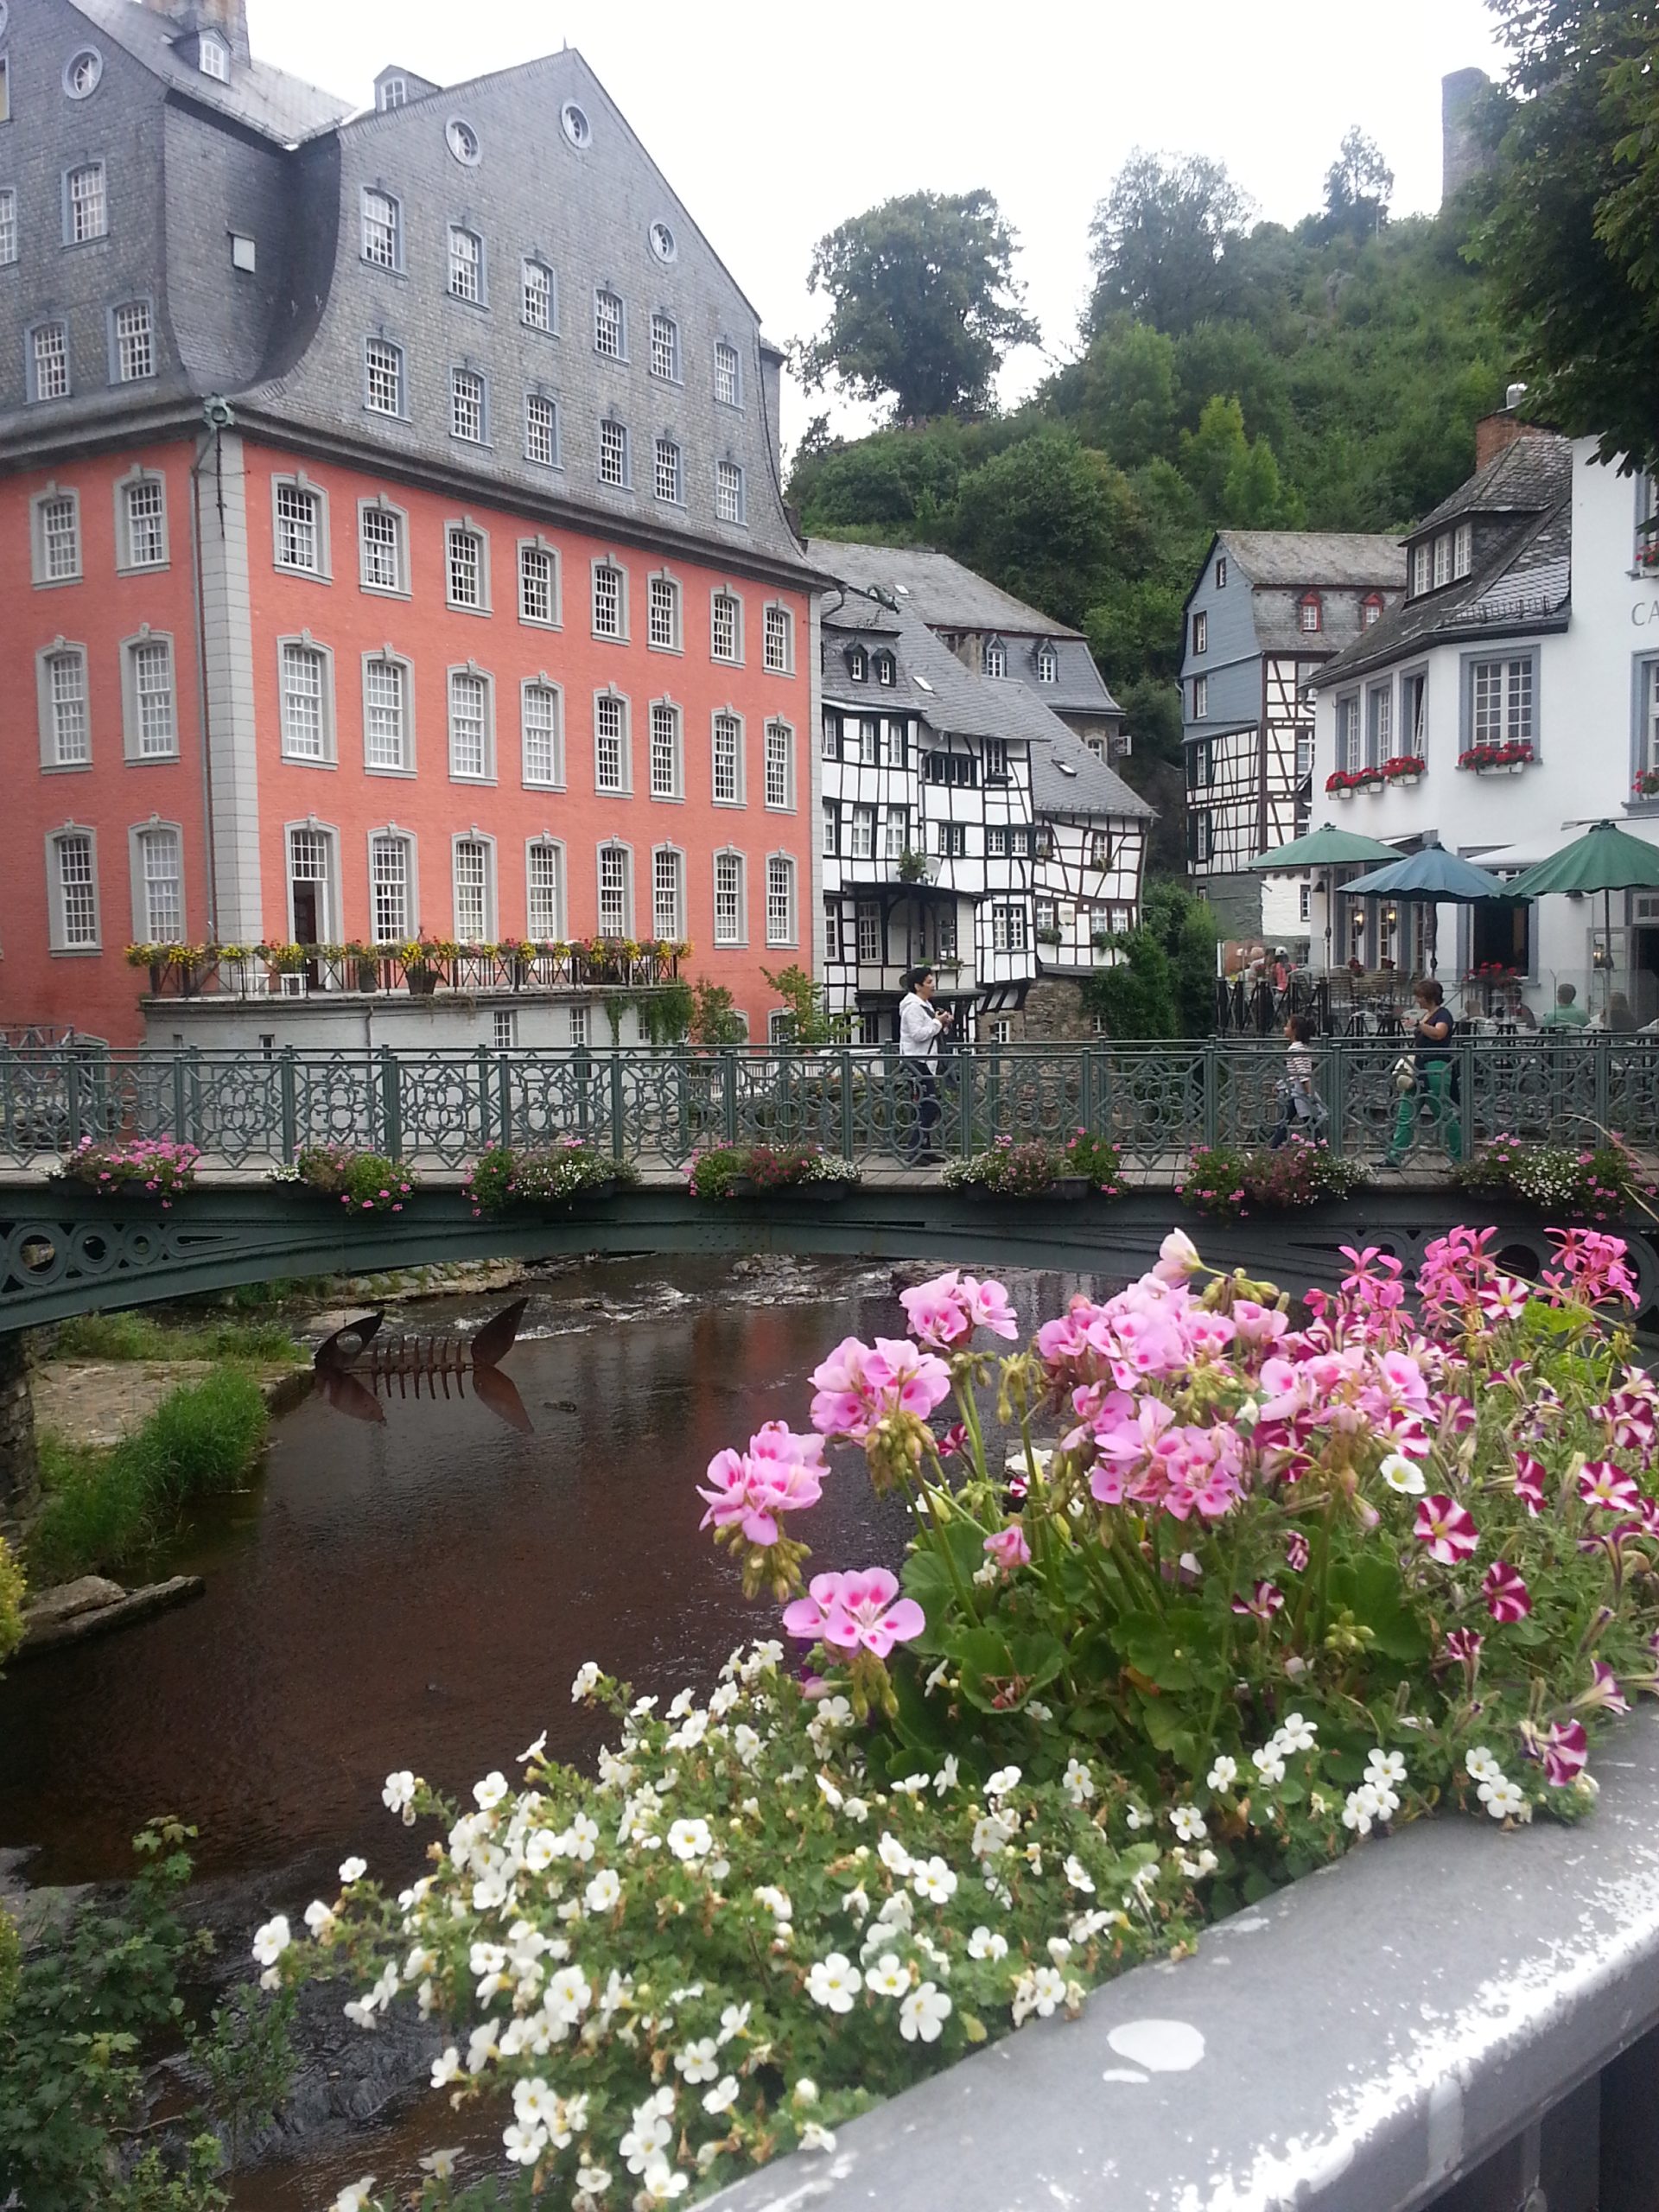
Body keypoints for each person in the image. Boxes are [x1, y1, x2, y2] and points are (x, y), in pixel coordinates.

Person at [1386, 978, 1461, 1166]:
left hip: (1436, 1067)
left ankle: (1459, 1157)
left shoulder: (1443, 1014)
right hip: (1419, 1067)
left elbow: (1439, 1033)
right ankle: (1394, 1157)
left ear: (1429, 997)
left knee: (1442, 1112)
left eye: (1419, 996)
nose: (1417, 1000)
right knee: (1406, 1112)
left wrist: (1418, 1025)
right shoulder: (1427, 1015)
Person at [898, 965, 952, 1164]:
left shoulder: (925, 1005)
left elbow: (931, 1031)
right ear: (918, 986)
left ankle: (924, 1149)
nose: (933, 985)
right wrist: (937, 1023)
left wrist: (943, 1023)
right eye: (929, 982)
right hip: (915, 1062)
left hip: (925, 1061)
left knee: (927, 1104)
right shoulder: (913, 1007)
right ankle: (914, 1150)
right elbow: (918, 1034)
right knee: (929, 1105)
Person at [1268, 1013, 1325, 1147]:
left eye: (1287, 1026)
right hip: (1296, 1090)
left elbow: (1302, 1073)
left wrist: (1309, 1093)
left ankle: (1273, 1147)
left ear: (1294, 1031)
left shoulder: (1295, 1049)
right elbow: (1295, 1073)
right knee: (1294, 1119)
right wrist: (1281, 1084)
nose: (1284, 1028)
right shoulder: (1302, 1047)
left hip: (1299, 1090)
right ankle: (1274, 1146)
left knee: (1302, 1119)